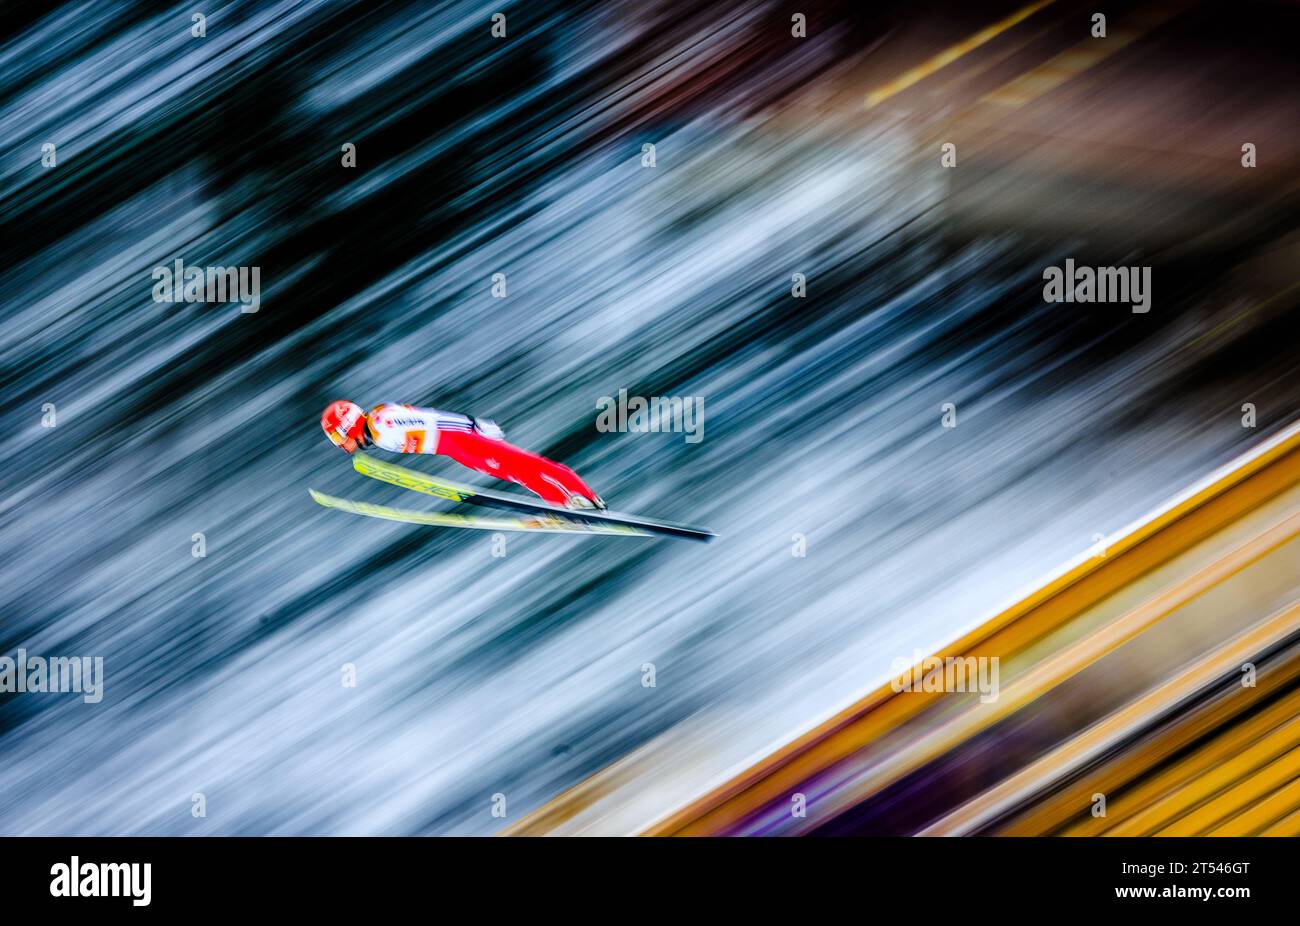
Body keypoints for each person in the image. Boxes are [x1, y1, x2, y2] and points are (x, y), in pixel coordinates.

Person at [320, 400, 605, 510]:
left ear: (348, 425)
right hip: (455, 449)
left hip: (461, 440)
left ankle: (586, 498)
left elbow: (431, 420)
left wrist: (472, 425)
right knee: (516, 473)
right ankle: (563, 504)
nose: (340, 444)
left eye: (337, 436)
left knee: (525, 464)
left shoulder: (382, 424)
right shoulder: (377, 432)